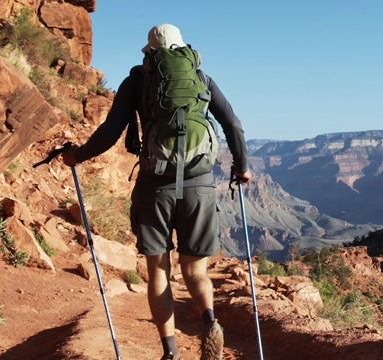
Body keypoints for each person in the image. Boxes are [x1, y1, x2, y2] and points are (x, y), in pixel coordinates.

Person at [62, 23, 251, 360]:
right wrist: (242, 166)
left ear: (150, 51)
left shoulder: (137, 81)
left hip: (155, 186)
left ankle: (170, 353)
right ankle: (209, 321)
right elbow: (232, 124)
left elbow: (110, 132)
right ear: (182, 49)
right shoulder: (201, 79)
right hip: (199, 186)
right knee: (196, 271)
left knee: (159, 272)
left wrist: (77, 155)